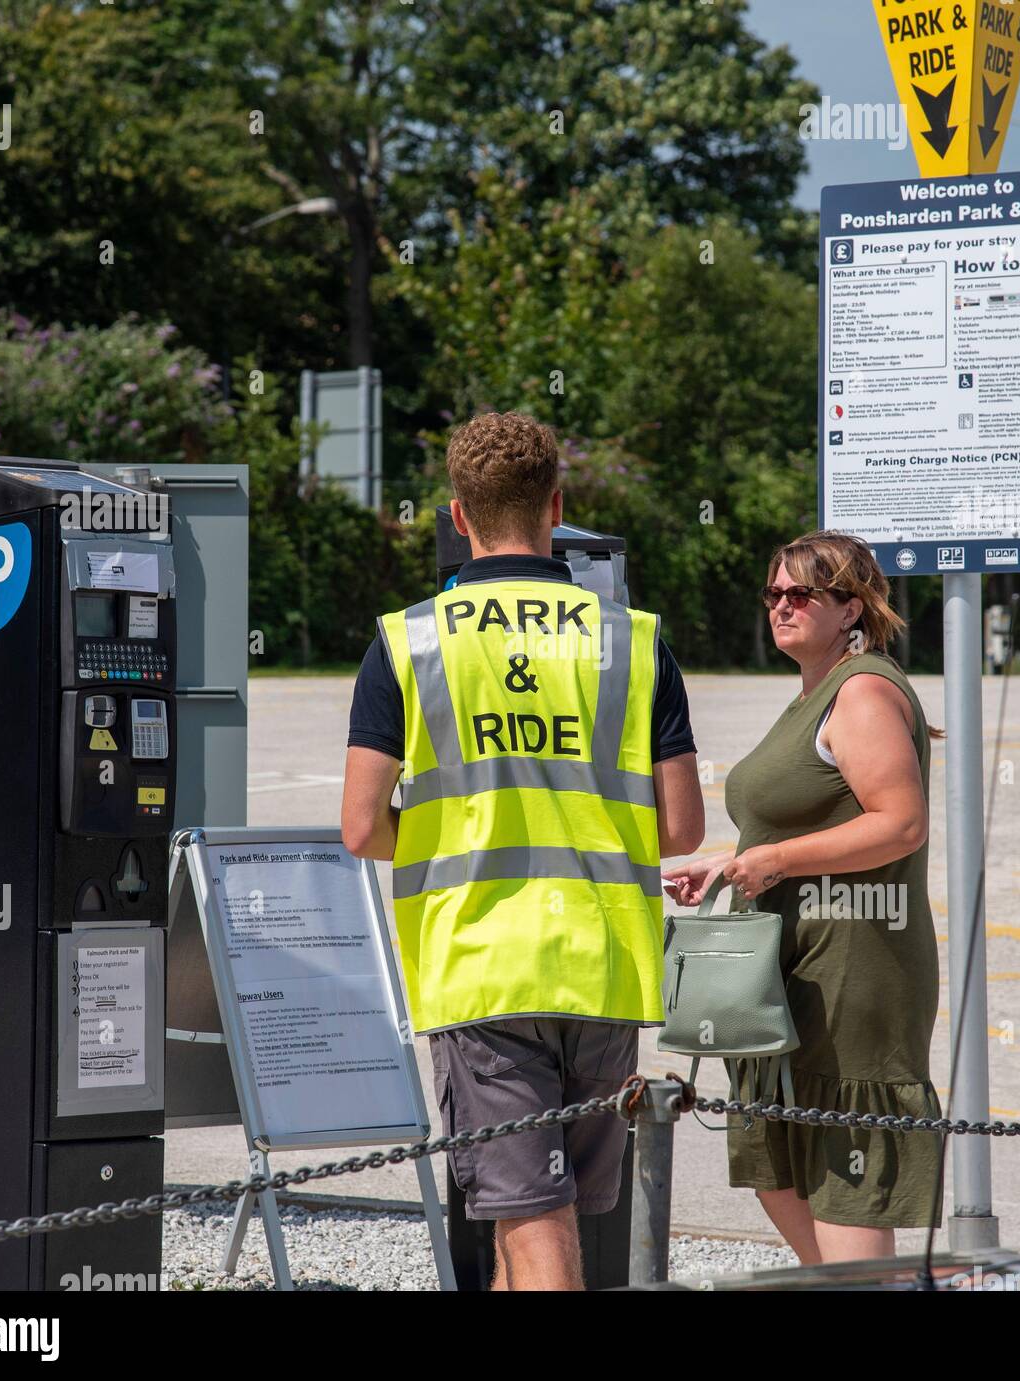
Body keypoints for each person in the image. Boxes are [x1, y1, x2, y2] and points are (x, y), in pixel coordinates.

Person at [343, 411, 704, 1290]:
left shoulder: (410, 639)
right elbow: (683, 828)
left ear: (458, 516)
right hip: (604, 966)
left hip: (480, 967)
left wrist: (448, 841)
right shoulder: (635, 637)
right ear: (557, 504)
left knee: (534, 1230)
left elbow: (360, 826)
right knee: (544, 1224)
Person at [663, 529, 944, 1265]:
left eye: (802, 594)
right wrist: (731, 865)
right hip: (796, 975)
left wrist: (776, 859)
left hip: (852, 974)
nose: (781, 606)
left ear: (851, 606)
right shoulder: (820, 690)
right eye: (774, 593)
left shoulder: (862, 692)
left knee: (842, 1182)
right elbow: (814, 817)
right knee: (786, 1168)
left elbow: (901, 823)